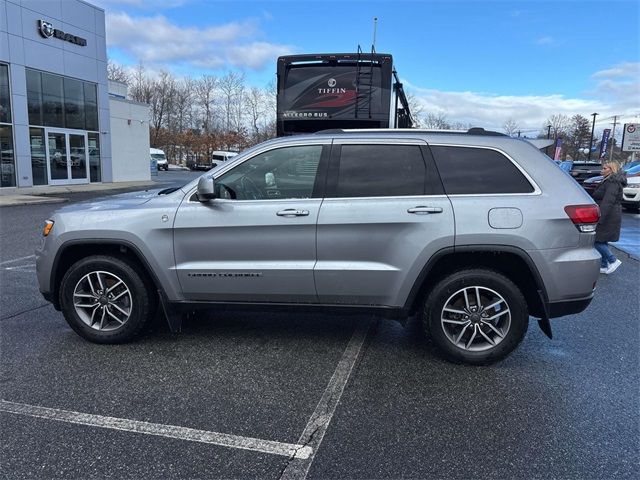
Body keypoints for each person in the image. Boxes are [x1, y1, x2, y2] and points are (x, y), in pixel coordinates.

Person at [592, 161, 627, 274]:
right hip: (609, 213)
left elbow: (608, 201)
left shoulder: (613, 182)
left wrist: (600, 217)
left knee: (597, 240)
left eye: (605, 168)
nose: (602, 170)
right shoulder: (608, 180)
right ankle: (603, 265)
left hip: (609, 215)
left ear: (612, 170)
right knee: (602, 240)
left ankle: (613, 260)